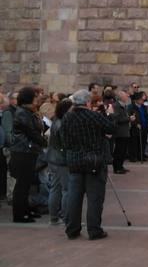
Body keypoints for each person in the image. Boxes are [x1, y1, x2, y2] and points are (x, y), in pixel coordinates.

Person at [62, 89, 116, 240]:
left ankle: (72, 228)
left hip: (74, 160)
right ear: (87, 102)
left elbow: (64, 139)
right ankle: (94, 230)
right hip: (94, 160)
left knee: (74, 196)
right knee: (95, 197)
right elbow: (111, 128)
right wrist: (110, 114)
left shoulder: (67, 117)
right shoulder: (94, 116)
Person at [9, 86, 46, 223]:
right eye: (35, 96)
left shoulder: (28, 112)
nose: (38, 98)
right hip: (23, 152)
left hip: (28, 151)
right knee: (22, 185)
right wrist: (44, 141)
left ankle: (26, 210)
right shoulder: (22, 113)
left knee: (27, 184)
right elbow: (32, 132)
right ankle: (19, 214)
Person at [46, 97, 72, 226]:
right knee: (66, 189)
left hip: (53, 158)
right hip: (61, 159)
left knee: (55, 188)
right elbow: (66, 143)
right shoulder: (62, 124)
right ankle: (67, 218)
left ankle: (54, 217)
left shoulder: (56, 120)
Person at [111, 89, 131, 174]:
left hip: (125, 131)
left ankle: (121, 165)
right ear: (121, 97)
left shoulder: (123, 105)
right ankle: (117, 167)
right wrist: (128, 119)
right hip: (120, 132)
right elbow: (117, 118)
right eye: (125, 95)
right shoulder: (116, 105)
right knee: (119, 150)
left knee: (123, 151)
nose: (127, 96)